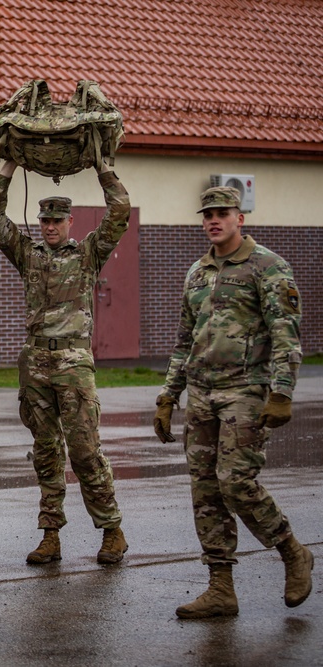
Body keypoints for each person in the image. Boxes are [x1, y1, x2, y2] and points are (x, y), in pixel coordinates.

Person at [154, 186, 313, 619]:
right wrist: (169, 394)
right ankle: (221, 588)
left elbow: (286, 333)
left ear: (239, 217)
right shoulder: (197, 272)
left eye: (222, 213)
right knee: (206, 490)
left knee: (235, 482)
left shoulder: (268, 266)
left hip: (245, 391)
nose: (213, 220)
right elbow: (185, 340)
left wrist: (281, 392)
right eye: (207, 214)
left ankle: (292, 551)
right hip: (202, 394)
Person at [0, 159, 129, 566]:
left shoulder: (88, 255)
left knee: (84, 449)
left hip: (73, 361)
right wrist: (8, 166)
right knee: (45, 450)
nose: (49, 226)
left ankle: (112, 529)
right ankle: (50, 535)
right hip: (35, 361)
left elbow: (120, 212)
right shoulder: (27, 254)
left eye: (57, 220)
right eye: (45, 219)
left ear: (70, 221)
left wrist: (101, 168)